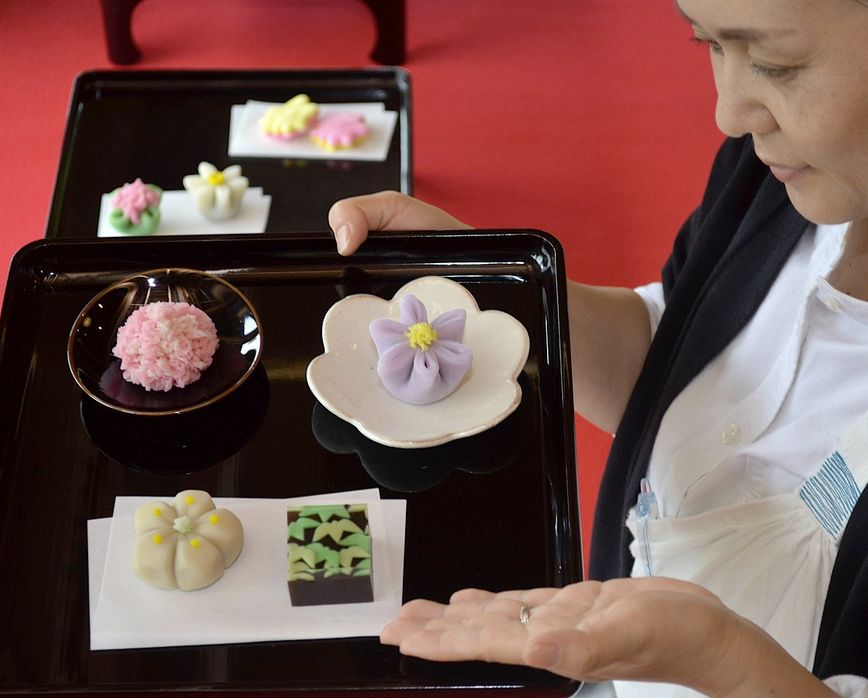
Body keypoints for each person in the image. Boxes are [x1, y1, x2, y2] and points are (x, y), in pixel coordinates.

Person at [326, 0, 868, 695]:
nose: (729, 113)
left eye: (774, 62)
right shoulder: (776, 176)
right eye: (708, 43)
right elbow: (678, 355)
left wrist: (719, 658)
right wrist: (501, 297)